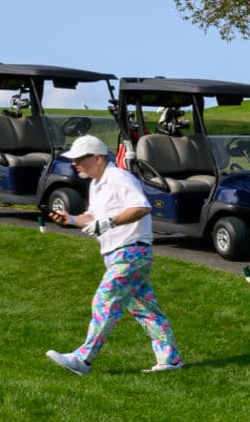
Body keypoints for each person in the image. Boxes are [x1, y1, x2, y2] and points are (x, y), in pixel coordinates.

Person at [44, 135, 182, 375]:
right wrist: (71, 219)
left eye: (79, 159)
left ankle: (83, 359)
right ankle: (170, 360)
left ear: (97, 158)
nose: (74, 164)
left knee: (104, 300)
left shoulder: (118, 177)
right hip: (121, 254)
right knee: (146, 309)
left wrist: (109, 222)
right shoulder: (96, 184)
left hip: (130, 251)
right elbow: (93, 218)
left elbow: (142, 207)